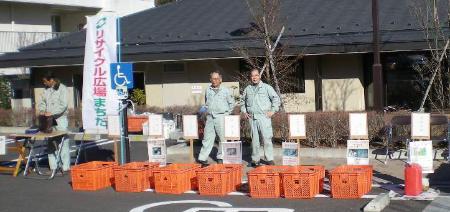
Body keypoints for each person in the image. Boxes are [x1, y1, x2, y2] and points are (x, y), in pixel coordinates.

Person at [241, 68, 281, 167]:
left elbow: (276, 99)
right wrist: (244, 111)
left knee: (267, 139)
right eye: (252, 76)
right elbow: (242, 101)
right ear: (250, 77)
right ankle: (255, 160)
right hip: (252, 118)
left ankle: (269, 159)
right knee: (254, 140)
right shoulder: (247, 89)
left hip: (264, 117)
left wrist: (273, 111)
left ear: (259, 76)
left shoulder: (267, 87)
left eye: (256, 75)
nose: (254, 78)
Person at [197, 71, 235, 166]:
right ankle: (202, 158)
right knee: (207, 138)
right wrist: (201, 112)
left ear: (220, 80)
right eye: (213, 79)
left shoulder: (225, 90)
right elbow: (206, 103)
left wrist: (226, 114)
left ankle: (220, 157)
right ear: (210, 80)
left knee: (222, 139)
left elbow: (232, 103)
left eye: (216, 79)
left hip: (221, 117)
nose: (214, 80)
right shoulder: (208, 90)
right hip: (210, 117)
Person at [38, 73, 71, 173]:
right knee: (50, 143)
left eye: (45, 81)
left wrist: (51, 112)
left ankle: (65, 166)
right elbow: (42, 102)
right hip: (49, 120)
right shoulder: (46, 90)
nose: (44, 83)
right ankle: (53, 167)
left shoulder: (62, 88)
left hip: (60, 118)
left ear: (51, 79)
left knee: (63, 142)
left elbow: (63, 104)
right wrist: (42, 110)